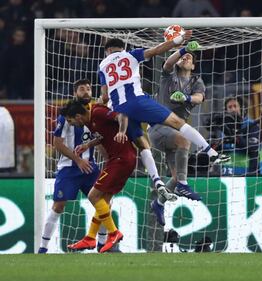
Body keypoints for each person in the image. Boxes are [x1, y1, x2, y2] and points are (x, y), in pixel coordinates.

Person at [98, 36, 229, 200]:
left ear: (107, 51)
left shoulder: (103, 65)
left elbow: (104, 96)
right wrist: (180, 43)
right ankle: (211, 153)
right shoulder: (130, 55)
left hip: (119, 110)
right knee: (178, 124)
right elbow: (158, 51)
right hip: (140, 104)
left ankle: (158, 182)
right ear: (122, 48)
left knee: (142, 144)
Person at [61, 99, 148, 252]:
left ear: (78, 116)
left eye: (71, 120)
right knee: (103, 202)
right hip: (119, 159)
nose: (71, 124)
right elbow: (103, 135)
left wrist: (122, 131)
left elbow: (121, 115)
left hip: (122, 159)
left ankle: (113, 232)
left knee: (93, 196)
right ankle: (90, 238)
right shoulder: (89, 121)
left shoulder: (97, 112)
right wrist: (87, 145)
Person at [37, 79, 101, 254]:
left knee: (102, 204)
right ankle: (42, 248)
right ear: (75, 93)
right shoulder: (66, 116)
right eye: (82, 89)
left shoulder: (96, 112)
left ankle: (104, 245)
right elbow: (57, 143)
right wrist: (78, 159)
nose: (86, 92)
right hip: (69, 168)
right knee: (58, 206)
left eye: (88, 88)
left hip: (90, 167)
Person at [148, 41, 205, 225]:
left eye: (189, 57)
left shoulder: (197, 81)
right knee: (185, 140)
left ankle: (158, 203)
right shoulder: (169, 76)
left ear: (193, 66)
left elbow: (199, 98)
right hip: (158, 127)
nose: (186, 58)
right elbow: (167, 63)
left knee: (174, 175)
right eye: (183, 57)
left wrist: (187, 98)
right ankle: (183, 185)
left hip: (174, 132)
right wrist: (183, 49)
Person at [207, 96, 262, 176]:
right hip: (227, 175)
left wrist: (234, 137)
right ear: (226, 110)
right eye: (230, 107)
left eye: (235, 106)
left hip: (251, 176)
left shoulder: (251, 125)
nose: (233, 109)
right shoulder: (222, 128)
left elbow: (253, 148)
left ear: (241, 108)